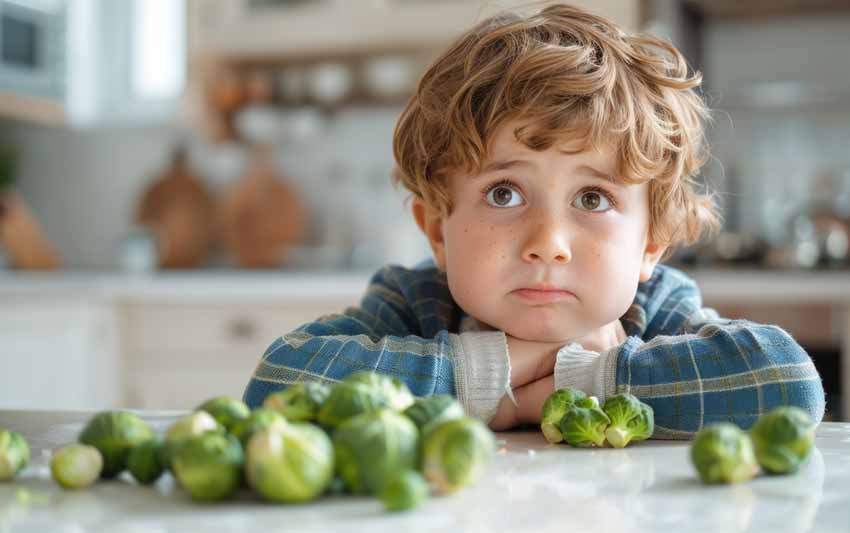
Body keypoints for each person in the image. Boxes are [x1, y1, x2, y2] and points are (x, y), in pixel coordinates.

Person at [243, 3, 825, 436]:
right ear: (437, 230)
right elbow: (278, 384)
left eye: (593, 199)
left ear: (651, 244)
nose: (548, 244)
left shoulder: (660, 313)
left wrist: (587, 380)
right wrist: (488, 375)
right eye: (503, 193)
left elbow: (787, 385)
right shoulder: (414, 301)